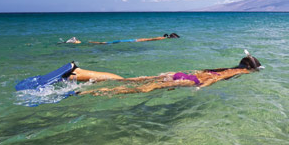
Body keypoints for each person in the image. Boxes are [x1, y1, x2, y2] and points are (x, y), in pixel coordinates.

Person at [69, 53, 261, 96]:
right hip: (189, 80)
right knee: (141, 89)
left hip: (181, 73)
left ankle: (79, 75)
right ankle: (90, 92)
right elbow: (213, 78)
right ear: (250, 69)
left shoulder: (225, 67)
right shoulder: (237, 72)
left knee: (136, 80)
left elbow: (206, 72)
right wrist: (201, 87)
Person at [62, 33, 180, 44]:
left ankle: (78, 41)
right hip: (132, 41)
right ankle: (77, 41)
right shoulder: (162, 39)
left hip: (132, 40)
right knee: (103, 43)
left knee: (104, 43)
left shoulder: (161, 37)